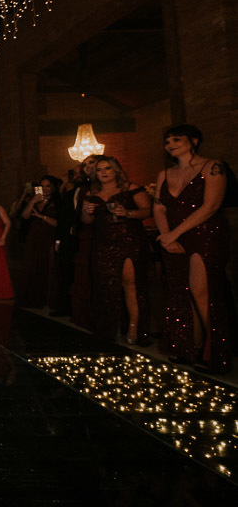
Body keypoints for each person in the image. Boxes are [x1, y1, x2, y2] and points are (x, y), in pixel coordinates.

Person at [153, 124, 231, 373]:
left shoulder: (213, 166)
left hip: (204, 234)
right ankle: (190, 348)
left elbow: (211, 206)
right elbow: (159, 207)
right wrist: (166, 236)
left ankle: (215, 353)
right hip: (173, 238)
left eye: (177, 139)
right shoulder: (165, 173)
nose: (171, 144)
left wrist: (174, 233)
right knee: (181, 292)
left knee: (201, 291)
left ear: (194, 140)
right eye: (167, 142)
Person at [81, 157, 151, 344]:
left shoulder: (130, 187)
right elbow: (86, 222)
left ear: (116, 171)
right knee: (105, 285)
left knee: (130, 284)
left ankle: (134, 328)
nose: (103, 172)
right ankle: (109, 326)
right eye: (99, 170)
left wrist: (127, 213)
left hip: (130, 241)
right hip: (103, 243)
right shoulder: (92, 192)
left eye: (108, 169)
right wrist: (87, 212)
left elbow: (147, 210)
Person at [16, 176, 60, 310]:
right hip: (33, 237)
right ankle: (32, 297)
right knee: (31, 265)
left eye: (48, 186)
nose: (45, 189)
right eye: (42, 186)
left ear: (52, 187)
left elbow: (59, 224)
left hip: (48, 237)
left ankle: (46, 299)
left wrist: (42, 217)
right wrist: (32, 202)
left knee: (47, 266)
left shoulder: (57, 202)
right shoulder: (34, 201)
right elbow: (24, 216)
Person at [70, 155, 102, 328]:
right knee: (86, 275)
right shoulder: (85, 189)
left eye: (91, 163)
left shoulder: (108, 186)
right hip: (87, 234)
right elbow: (82, 216)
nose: (87, 166)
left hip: (107, 233)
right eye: (85, 164)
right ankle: (88, 315)